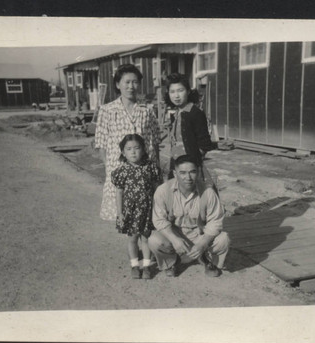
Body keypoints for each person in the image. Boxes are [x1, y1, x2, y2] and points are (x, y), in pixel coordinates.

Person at [95, 64, 161, 221]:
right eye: (127, 82)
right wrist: (110, 168)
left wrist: (155, 167)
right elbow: (101, 144)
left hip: (143, 171)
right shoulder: (107, 110)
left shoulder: (147, 111)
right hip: (119, 171)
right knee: (123, 216)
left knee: (145, 215)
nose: (131, 86)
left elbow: (155, 141)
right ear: (118, 84)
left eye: (135, 82)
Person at [149, 154, 230, 277]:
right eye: (182, 173)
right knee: (154, 240)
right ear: (175, 174)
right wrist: (174, 239)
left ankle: (208, 260)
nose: (188, 177)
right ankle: (172, 262)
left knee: (223, 239)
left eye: (192, 172)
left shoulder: (208, 192)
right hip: (176, 233)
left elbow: (216, 221)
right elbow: (159, 220)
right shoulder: (163, 190)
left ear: (198, 172)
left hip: (200, 234)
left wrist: (203, 243)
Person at [111, 134, 162, 279]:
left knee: (146, 238)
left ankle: (146, 266)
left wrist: (158, 209)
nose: (133, 152)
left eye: (137, 148)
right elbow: (119, 193)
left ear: (143, 149)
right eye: (128, 149)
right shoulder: (121, 171)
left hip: (147, 210)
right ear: (123, 152)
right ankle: (134, 266)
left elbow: (157, 189)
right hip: (130, 211)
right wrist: (120, 213)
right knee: (132, 238)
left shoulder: (150, 167)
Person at [165, 73, 217, 186]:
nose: (176, 96)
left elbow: (205, 144)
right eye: (172, 92)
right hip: (175, 164)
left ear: (188, 91)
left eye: (180, 90)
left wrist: (194, 163)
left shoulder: (195, 113)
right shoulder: (176, 113)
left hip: (190, 167)